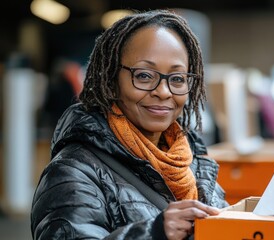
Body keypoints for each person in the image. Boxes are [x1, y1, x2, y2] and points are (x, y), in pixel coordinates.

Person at [31, 9, 228, 240]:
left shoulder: (193, 161)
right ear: (112, 81)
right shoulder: (72, 173)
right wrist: (153, 233)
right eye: (144, 76)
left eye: (177, 79)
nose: (163, 92)